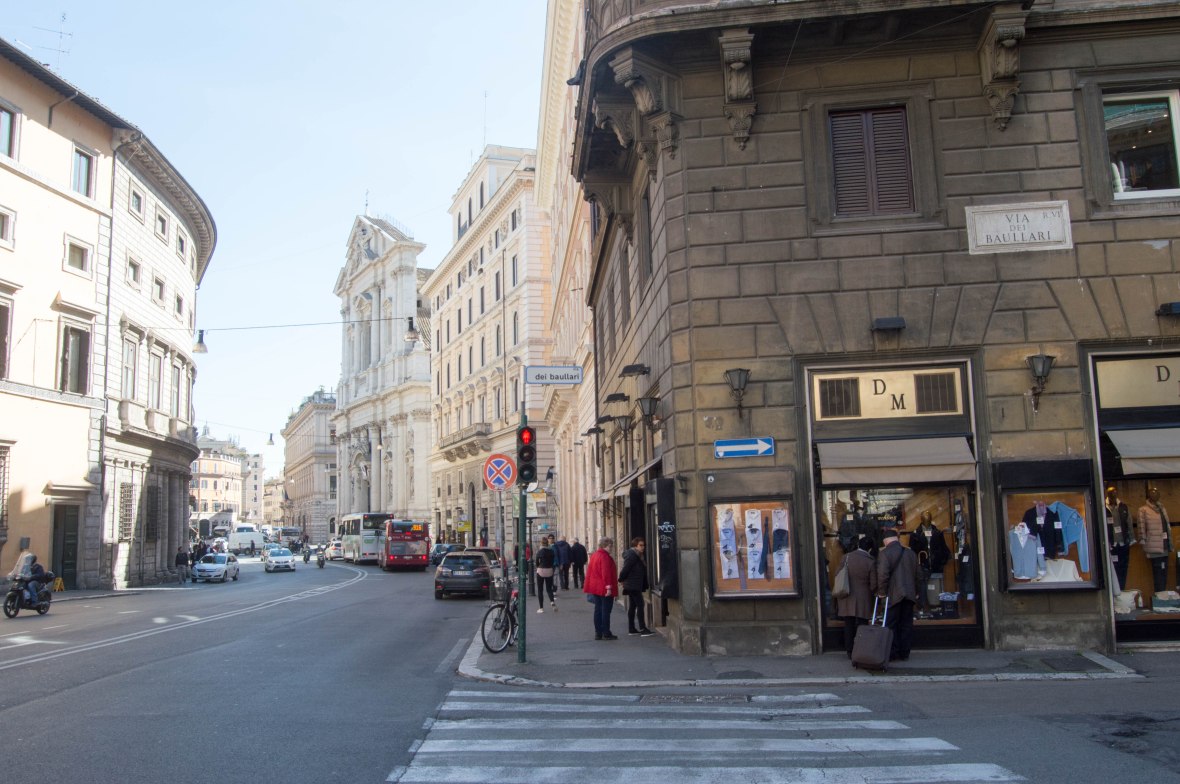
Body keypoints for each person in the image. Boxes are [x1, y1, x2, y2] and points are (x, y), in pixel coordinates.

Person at [877, 524, 921, 662]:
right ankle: (905, 653)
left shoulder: (884, 553)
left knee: (891, 624)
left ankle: (892, 652)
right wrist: (917, 592)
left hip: (893, 594)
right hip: (909, 594)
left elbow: (883, 575)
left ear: (885, 541)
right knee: (906, 624)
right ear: (896, 539)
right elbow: (919, 575)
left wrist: (882, 592)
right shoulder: (910, 553)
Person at [836, 537, 877, 658]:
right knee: (862, 624)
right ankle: (861, 649)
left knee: (848, 624)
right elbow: (873, 583)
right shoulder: (870, 561)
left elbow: (838, 573)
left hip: (846, 594)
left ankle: (849, 650)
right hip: (863, 597)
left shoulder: (846, 557)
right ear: (869, 549)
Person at [1136, 486, 1171, 593]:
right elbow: (1141, 527)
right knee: (1157, 571)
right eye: (1152, 494)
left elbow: (1167, 526)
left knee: (1164, 570)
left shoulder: (1162, 508)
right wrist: (1143, 540)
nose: (1155, 496)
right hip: (1153, 545)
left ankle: (1163, 594)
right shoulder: (1143, 510)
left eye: (1157, 494)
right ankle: (1159, 593)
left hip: (1164, 545)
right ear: (1149, 496)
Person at [584, 537, 618, 640]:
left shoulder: (595, 555)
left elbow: (590, 571)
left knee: (598, 610)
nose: (611, 548)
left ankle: (598, 633)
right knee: (606, 610)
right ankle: (606, 632)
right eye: (611, 546)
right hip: (603, 587)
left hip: (595, 587)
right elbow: (606, 573)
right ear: (607, 546)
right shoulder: (605, 557)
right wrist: (608, 588)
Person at [618, 537, 654, 636]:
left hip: (634, 583)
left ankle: (632, 628)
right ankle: (642, 628)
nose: (643, 547)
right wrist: (621, 579)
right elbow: (626, 568)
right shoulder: (632, 555)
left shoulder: (637, 555)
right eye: (640, 545)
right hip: (632, 584)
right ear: (635, 546)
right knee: (640, 605)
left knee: (633, 606)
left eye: (643, 545)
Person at [534, 537, 557, 613]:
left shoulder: (540, 552)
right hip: (549, 570)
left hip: (541, 570)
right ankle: (552, 601)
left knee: (540, 590)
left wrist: (538, 566)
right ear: (547, 543)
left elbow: (537, 562)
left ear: (541, 543)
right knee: (549, 589)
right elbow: (552, 561)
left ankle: (541, 608)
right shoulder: (551, 551)